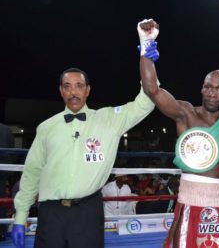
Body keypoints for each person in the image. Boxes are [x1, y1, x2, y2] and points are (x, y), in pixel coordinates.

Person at [138, 19, 219, 248]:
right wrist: (146, 44)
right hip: (189, 200)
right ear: (202, 88)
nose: (213, 93)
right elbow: (151, 89)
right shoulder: (186, 114)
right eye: (209, 87)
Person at [11, 66, 158, 248]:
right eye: (67, 86)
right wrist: (20, 217)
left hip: (87, 213)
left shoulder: (108, 120)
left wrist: (148, 63)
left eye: (79, 86)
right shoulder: (46, 128)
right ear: (61, 91)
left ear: (87, 90)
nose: (73, 92)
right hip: (51, 215)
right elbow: (32, 174)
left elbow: (145, 103)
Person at [0, 123, 15, 241]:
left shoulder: (6, 130)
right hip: (3, 173)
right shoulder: (6, 129)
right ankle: (1, 232)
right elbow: (11, 153)